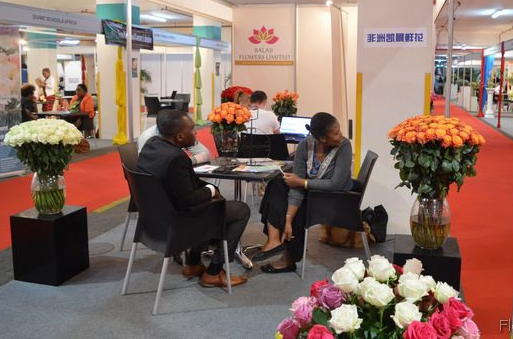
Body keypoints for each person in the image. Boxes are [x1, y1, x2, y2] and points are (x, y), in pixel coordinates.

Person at [138, 110, 249, 287]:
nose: (196, 132)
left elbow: (185, 183)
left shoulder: (152, 145)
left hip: (154, 220)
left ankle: (193, 263)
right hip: (178, 223)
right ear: (180, 136)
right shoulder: (176, 157)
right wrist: (211, 190)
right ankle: (214, 272)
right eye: (191, 129)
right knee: (241, 210)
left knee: (211, 204)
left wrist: (211, 189)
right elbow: (188, 199)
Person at [254, 112, 352, 273]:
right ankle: (274, 240)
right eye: (336, 133)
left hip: (335, 199)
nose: (340, 135)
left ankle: (287, 258)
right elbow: (297, 188)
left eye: (339, 130)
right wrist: (288, 220)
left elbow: (335, 184)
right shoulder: (304, 146)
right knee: (276, 184)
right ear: (322, 138)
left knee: (297, 204)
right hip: (310, 193)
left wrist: (302, 182)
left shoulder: (344, 145)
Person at [137, 113, 211, 165]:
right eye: (191, 129)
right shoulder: (148, 138)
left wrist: (185, 162)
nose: (195, 132)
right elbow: (149, 165)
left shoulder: (183, 132)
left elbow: (206, 154)